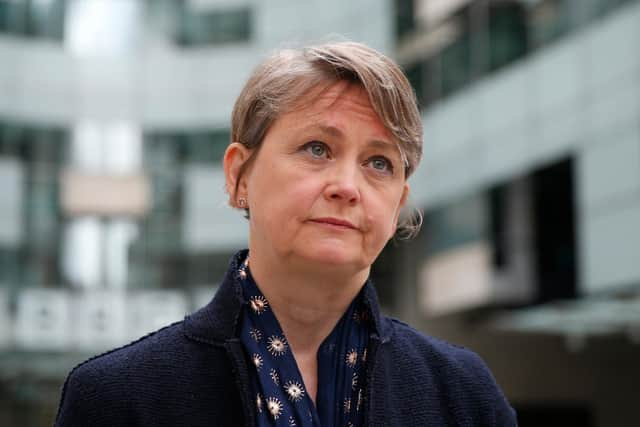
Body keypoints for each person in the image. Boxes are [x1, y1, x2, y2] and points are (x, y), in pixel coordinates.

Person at [55, 42, 516, 426]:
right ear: (239, 177)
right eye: (317, 149)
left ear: (397, 205)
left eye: (379, 163)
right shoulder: (118, 401)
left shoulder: (464, 395)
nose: (347, 187)